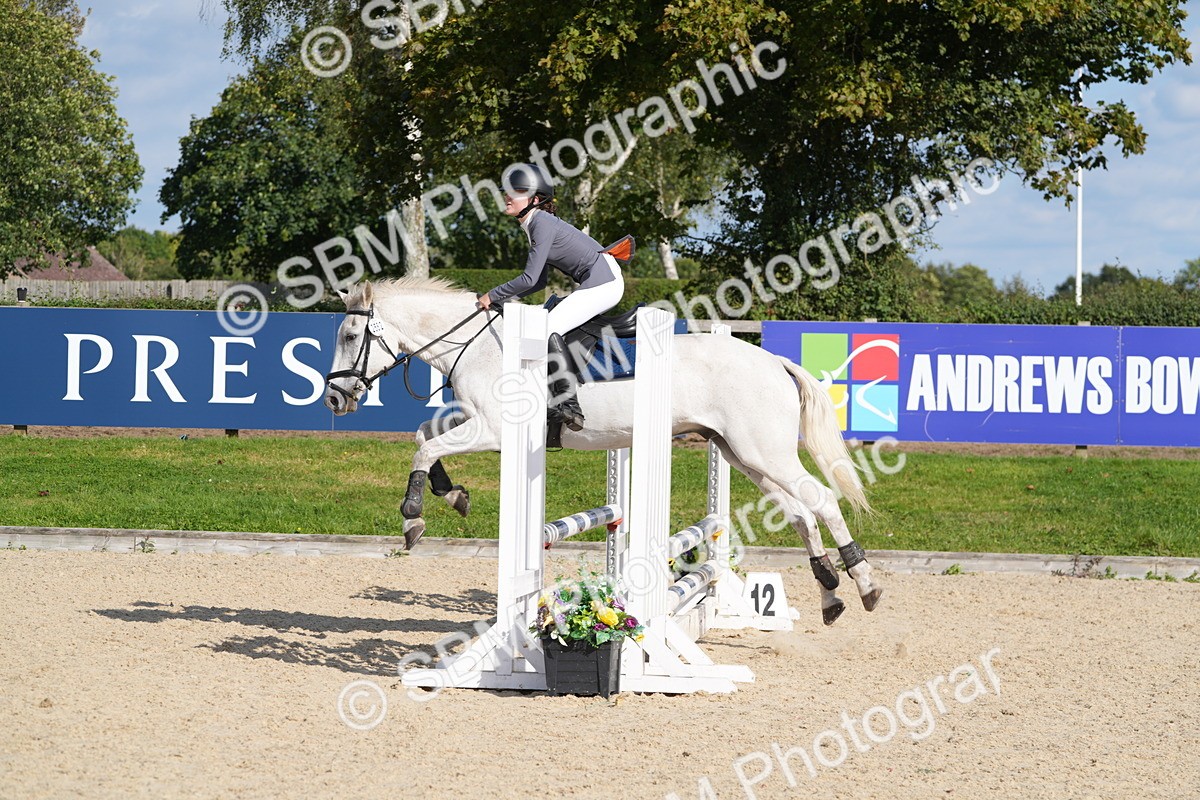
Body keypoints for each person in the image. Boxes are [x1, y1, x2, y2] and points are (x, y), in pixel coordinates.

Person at [478, 163, 625, 431]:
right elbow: (540, 281)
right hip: (600, 279)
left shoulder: (541, 223)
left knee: (548, 329)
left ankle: (570, 406)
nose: (508, 196)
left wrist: (492, 295)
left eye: (517, 191)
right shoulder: (535, 223)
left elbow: (530, 279)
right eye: (508, 190)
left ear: (535, 200)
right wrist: (503, 299)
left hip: (605, 282)